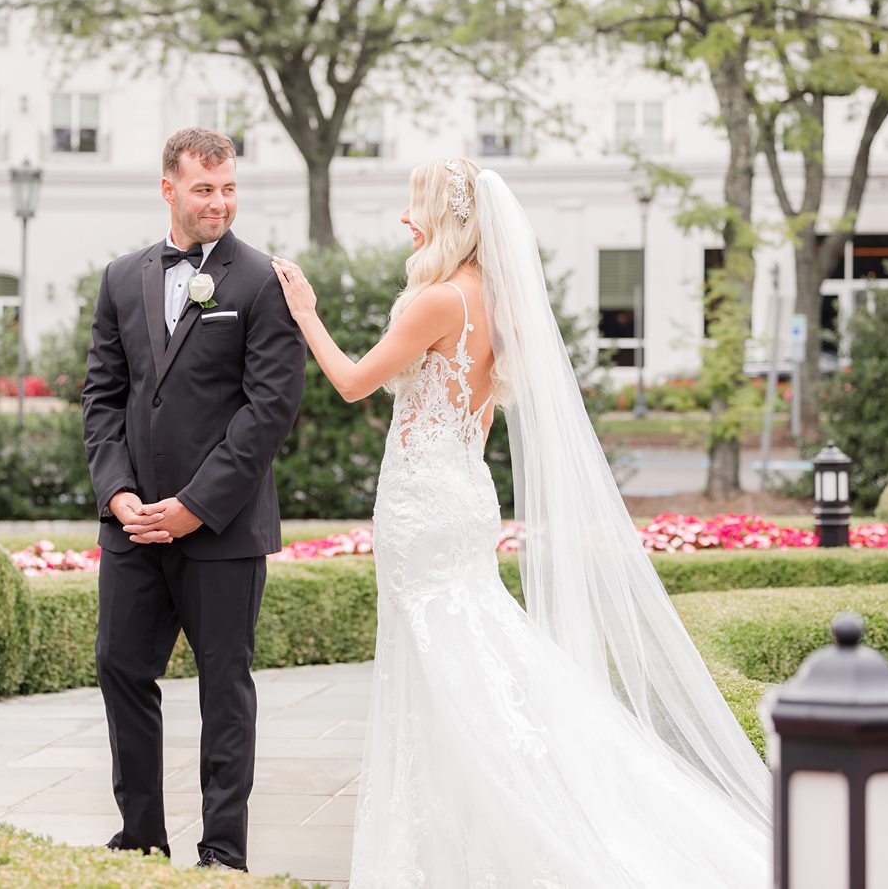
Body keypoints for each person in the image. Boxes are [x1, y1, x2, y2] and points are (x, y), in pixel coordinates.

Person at [270, 159, 771, 886]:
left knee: (445, 660)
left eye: (417, 209)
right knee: (470, 645)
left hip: (425, 503)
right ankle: (469, 827)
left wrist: (305, 312)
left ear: (452, 219)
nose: (407, 221)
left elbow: (351, 382)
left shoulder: (437, 300)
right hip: (464, 494)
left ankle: (490, 829)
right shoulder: (494, 300)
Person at [82, 127, 306, 872]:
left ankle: (222, 852)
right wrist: (118, 495)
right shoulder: (121, 278)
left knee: (224, 687)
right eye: (204, 188)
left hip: (222, 528)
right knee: (119, 665)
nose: (220, 202)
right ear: (169, 189)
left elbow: (268, 409)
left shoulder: (263, 282)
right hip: (133, 528)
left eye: (229, 188)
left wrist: (193, 505)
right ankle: (140, 838)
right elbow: (102, 399)